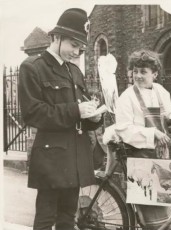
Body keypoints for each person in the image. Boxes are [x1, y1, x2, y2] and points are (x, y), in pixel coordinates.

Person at [18, 8, 104, 230]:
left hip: (75, 156)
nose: (77, 52)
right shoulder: (33, 67)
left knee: (67, 217)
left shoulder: (74, 72)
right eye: (73, 45)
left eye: (81, 48)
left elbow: (80, 117)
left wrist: (93, 117)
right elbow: (33, 113)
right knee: (46, 218)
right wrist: (76, 110)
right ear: (56, 37)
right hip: (52, 157)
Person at [115, 49, 171, 229]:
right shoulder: (126, 97)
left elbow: (169, 115)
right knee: (149, 214)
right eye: (135, 71)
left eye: (143, 72)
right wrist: (153, 133)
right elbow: (124, 129)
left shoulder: (161, 92)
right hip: (139, 156)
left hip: (160, 155)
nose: (138, 76)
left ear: (154, 74)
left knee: (165, 204)